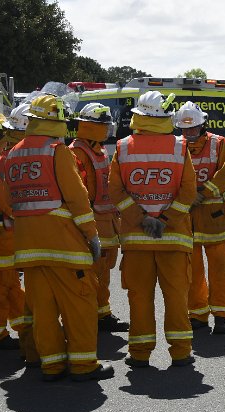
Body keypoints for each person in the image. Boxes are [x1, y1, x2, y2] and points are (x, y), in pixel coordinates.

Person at [4, 95, 113, 381]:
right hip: (64, 246)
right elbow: (77, 199)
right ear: (57, 121)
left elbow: (11, 200)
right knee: (80, 304)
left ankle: (51, 366)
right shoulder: (57, 151)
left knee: (43, 309)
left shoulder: (13, 153)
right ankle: (83, 365)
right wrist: (92, 235)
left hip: (28, 246)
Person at [108, 90, 197, 368]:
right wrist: (165, 219)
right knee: (177, 298)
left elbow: (115, 190)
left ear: (138, 116)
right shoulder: (180, 147)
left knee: (140, 299)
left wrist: (141, 218)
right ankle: (181, 352)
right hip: (173, 239)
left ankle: (140, 354)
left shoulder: (122, 148)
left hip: (137, 239)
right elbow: (188, 191)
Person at [174, 101, 225, 335]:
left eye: (193, 128)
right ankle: (198, 315)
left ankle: (221, 316)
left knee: (220, 269)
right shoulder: (176, 146)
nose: (188, 133)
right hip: (187, 219)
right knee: (193, 272)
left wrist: (202, 193)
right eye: (184, 129)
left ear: (202, 125)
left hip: (215, 218)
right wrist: (188, 197)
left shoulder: (218, 143)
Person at [69, 103, 129, 333]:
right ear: (91, 126)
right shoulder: (78, 152)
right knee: (92, 272)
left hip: (108, 221)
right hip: (93, 222)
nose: (107, 129)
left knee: (103, 272)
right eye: (103, 125)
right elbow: (80, 193)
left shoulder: (98, 150)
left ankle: (102, 314)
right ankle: (88, 315)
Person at [0, 112, 30, 353]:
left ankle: (24, 327)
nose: (7, 141)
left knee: (9, 283)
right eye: (3, 136)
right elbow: (6, 202)